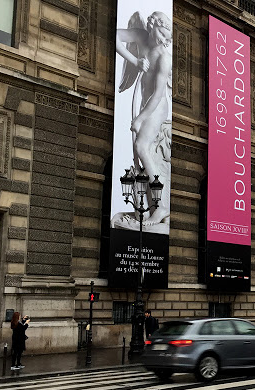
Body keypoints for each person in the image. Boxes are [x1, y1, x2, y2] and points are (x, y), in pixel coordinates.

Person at [115, 10, 172, 229]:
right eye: (161, 34)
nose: (163, 41)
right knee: (137, 155)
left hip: (156, 107)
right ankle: (146, 204)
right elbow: (117, 39)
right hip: (143, 101)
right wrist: (135, 60)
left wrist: (139, 119)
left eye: (166, 38)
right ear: (152, 26)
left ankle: (160, 207)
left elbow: (158, 95)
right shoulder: (139, 35)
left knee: (141, 146)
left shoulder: (163, 58)